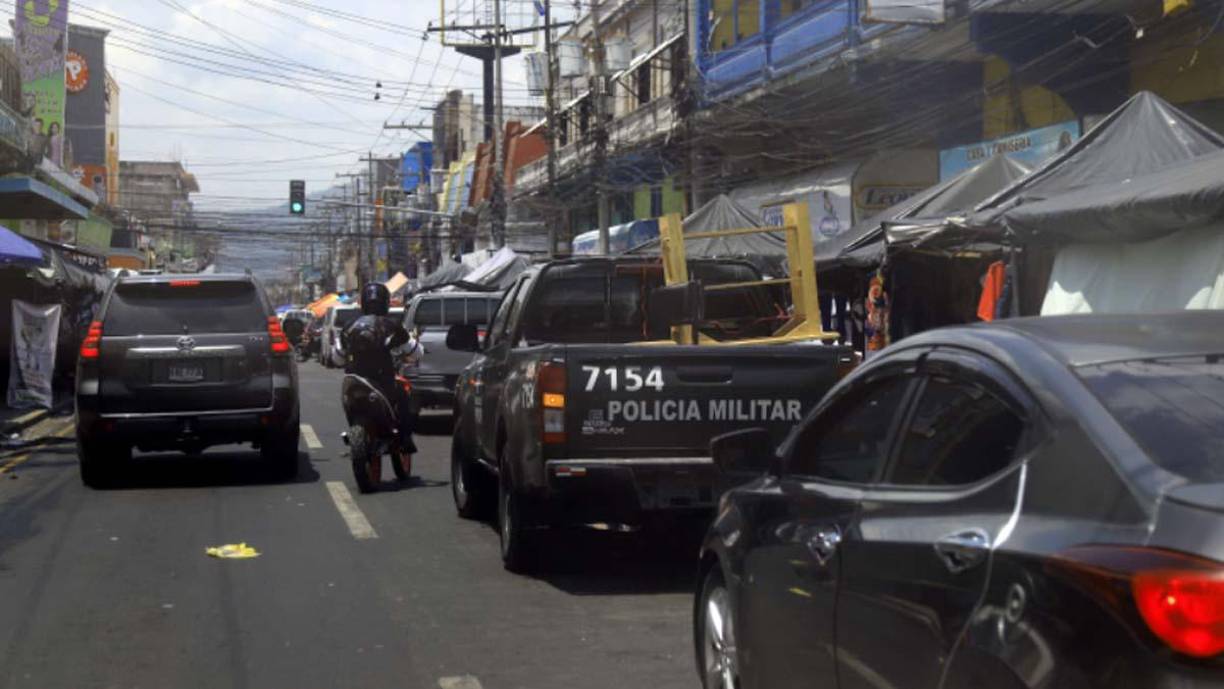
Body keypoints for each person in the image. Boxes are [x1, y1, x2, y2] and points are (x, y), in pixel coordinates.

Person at [342, 283, 417, 455]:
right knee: (403, 393)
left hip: (353, 380)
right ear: (386, 302)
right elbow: (414, 351)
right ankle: (405, 438)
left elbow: (337, 356)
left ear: (363, 302)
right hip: (382, 381)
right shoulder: (391, 325)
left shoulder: (348, 326)